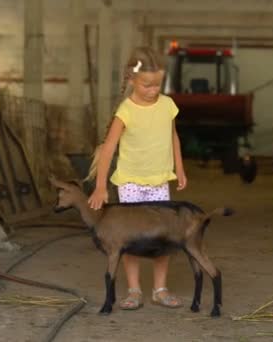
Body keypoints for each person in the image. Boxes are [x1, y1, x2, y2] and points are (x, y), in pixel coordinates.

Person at [86, 46, 187, 310]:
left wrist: (179, 168)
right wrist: (100, 187)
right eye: (147, 85)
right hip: (130, 184)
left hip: (158, 183)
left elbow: (173, 136)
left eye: (157, 85)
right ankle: (133, 290)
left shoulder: (168, 105)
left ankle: (160, 289)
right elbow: (108, 149)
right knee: (130, 238)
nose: (153, 90)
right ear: (131, 79)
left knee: (163, 236)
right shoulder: (126, 111)